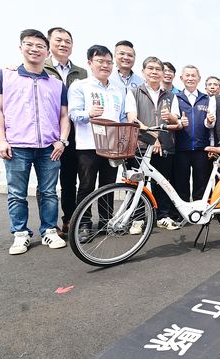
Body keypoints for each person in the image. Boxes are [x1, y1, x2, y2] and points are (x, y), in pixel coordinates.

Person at [0, 29, 69, 254]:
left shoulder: (56, 84)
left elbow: (64, 115)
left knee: (49, 191)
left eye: (40, 46)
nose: (34, 49)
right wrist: (1, 140)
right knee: (16, 192)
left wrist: (62, 140)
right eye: (29, 44)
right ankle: (20, 234)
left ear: (46, 51)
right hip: (17, 145)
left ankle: (49, 231)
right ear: (21, 47)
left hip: (49, 147)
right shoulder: (5, 75)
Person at [68, 45, 127, 242]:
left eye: (108, 62)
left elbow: (120, 117)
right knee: (86, 186)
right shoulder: (80, 85)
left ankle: (106, 222)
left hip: (111, 146)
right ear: (89, 63)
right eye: (100, 61)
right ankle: (84, 225)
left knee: (108, 185)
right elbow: (73, 114)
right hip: (88, 145)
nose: (105, 65)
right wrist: (89, 114)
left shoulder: (117, 90)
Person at [125, 57, 181, 231]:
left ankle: (162, 216)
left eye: (158, 69)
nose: (155, 72)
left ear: (163, 73)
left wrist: (170, 117)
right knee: (137, 183)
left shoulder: (171, 96)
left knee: (163, 182)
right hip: (141, 145)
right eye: (151, 68)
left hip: (165, 146)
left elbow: (176, 121)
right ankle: (138, 219)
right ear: (143, 72)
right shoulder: (134, 91)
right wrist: (152, 137)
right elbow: (132, 118)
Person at [44, 27, 87, 237]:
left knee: (75, 179)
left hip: (77, 133)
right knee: (49, 183)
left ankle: (72, 219)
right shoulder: (40, 68)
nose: (63, 44)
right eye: (58, 40)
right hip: (49, 134)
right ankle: (49, 226)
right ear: (49, 43)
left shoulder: (82, 72)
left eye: (67, 41)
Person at [174, 65, 213, 202]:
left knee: (201, 183)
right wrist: (179, 121)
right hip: (181, 147)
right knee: (181, 183)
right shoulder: (176, 98)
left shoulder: (206, 99)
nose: (190, 78)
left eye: (193, 76)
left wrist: (209, 121)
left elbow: (210, 124)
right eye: (187, 75)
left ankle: (200, 212)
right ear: (181, 78)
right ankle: (182, 214)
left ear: (199, 79)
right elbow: (173, 119)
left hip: (201, 148)